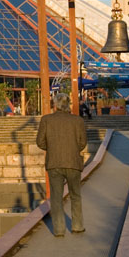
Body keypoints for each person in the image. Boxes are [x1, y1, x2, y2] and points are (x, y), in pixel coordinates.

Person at [36, 92, 87, 237]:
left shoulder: (46, 120)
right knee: (76, 195)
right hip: (73, 162)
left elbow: (40, 142)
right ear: (68, 104)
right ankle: (77, 226)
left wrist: (52, 148)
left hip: (54, 162)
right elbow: (83, 142)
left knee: (56, 197)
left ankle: (59, 230)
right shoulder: (78, 121)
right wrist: (73, 149)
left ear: (55, 105)